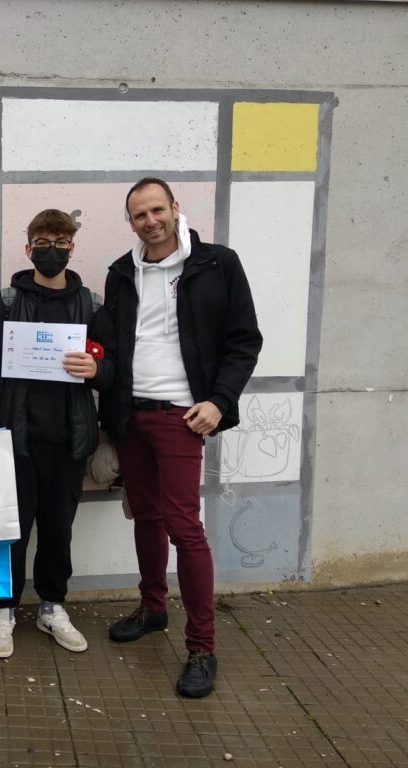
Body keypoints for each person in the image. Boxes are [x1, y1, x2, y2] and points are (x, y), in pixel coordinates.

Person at [101, 178, 262, 698]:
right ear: (130, 222)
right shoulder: (121, 273)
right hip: (131, 415)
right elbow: (113, 345)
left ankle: (201, 647)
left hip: (182, 417)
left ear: (175, 208)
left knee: (184, 528)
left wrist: (219, 400)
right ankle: (153, 609)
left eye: (157, 210)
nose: (150, 221)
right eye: (139, 215)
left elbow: (244, 340)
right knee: (145, 517)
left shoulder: (218, 264)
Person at [0, 209, 113, 659]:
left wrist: (96, 370)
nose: (51, 250)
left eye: (60, 243)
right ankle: (3, 611)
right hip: (16, 442)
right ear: (28, 247)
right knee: (11, 532)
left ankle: (52, 606)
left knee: (58, 532)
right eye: (43, 242)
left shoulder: (91, 305)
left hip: (69, 442)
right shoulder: (7, 303)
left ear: (72, 248)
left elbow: (113, 369)